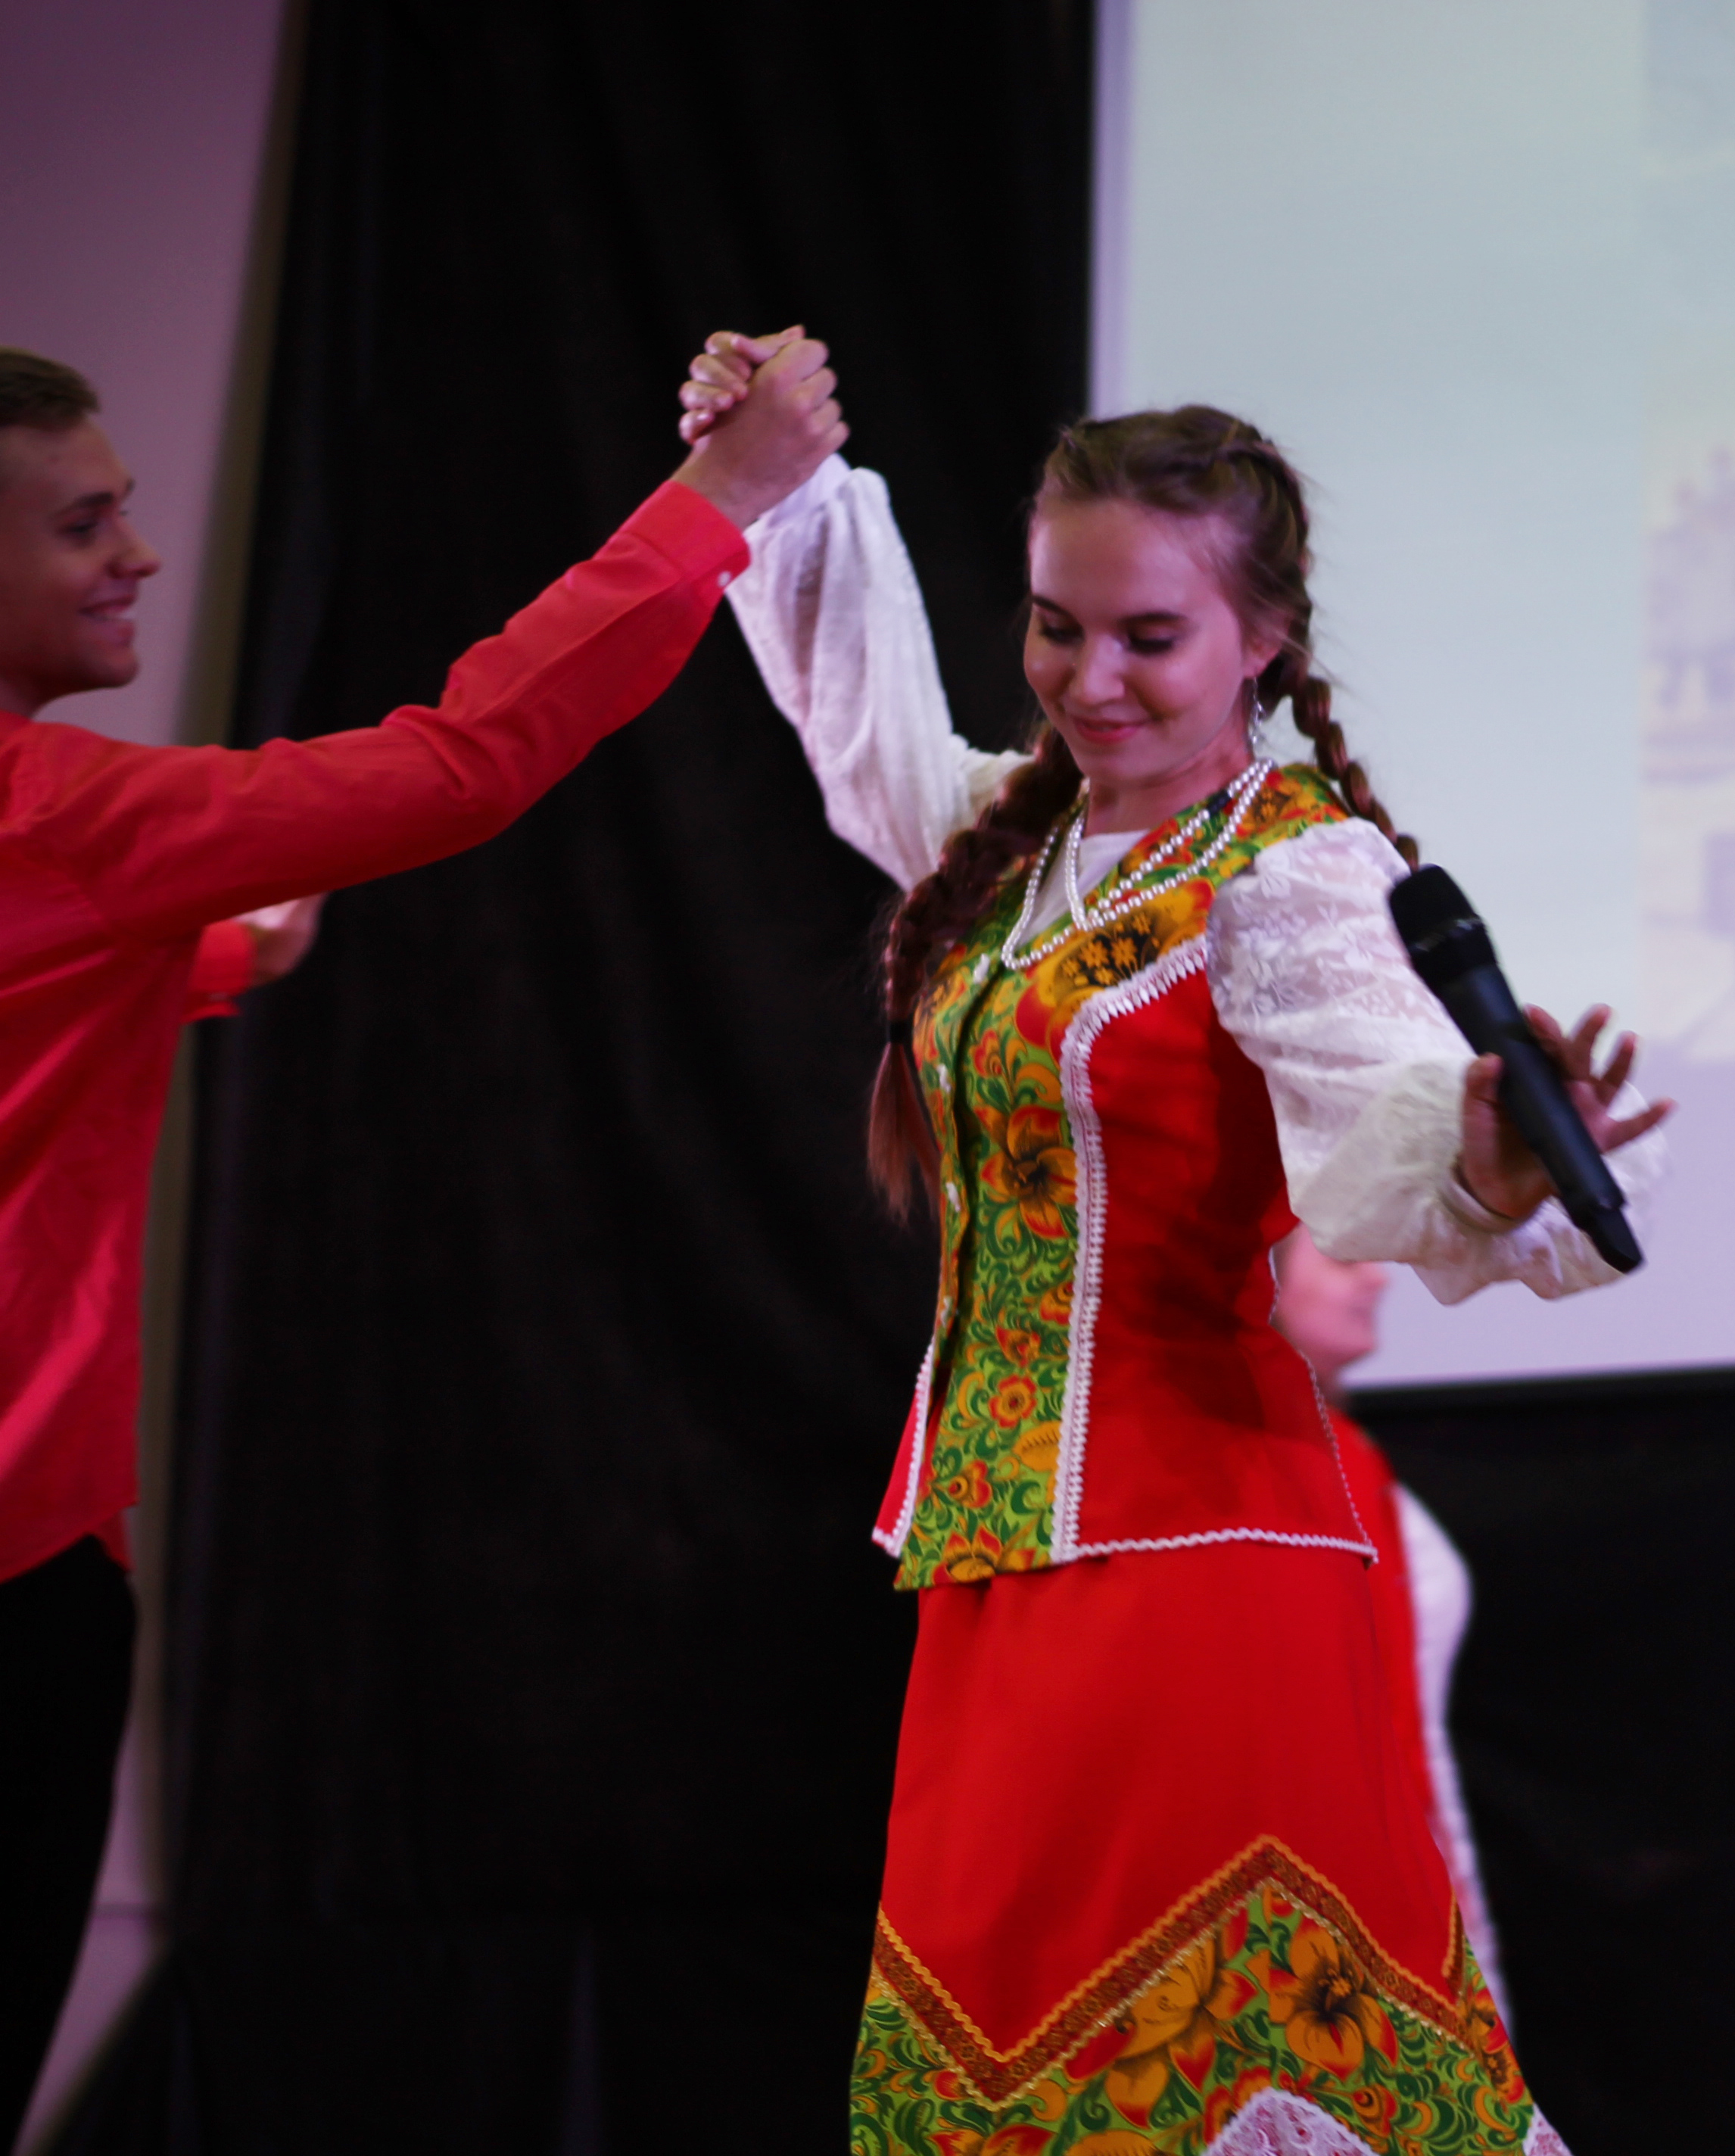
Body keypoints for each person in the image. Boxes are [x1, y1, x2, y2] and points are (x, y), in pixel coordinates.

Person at [0, 332, 843, 2154]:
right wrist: (718, 496)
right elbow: (461, 760)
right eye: (82, 523)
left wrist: (207, 949)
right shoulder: (67, 820)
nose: (137, 553)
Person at [681, 338, 1667, 2154]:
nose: (1090, 678)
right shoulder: (1013, 846)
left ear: (1262, 639)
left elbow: (1380, 1147)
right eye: (1058, 627)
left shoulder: (1291, 871)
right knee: (1002, 2071)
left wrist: (1486, 1156)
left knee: (1203, 2075)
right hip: (999, 1553)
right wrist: (783, 485)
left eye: (1148, 635)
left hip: (1199, 1556)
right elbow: (865, 735)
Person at [1272, 1226, 1507, 2017]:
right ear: (1260, 1278)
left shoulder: (1342, 1455)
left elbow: (1404, 1725)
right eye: (1343, 1256)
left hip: (1407, 1867)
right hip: (1344, 1908)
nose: (1377, 1278)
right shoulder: (1291, 1468)